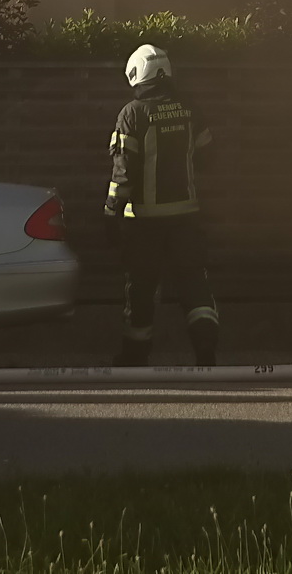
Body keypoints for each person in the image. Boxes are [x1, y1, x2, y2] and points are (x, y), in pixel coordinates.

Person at [106, 42, 219, 366]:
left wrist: (111, 211)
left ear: (136, 74)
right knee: (194, 283)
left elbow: (123, 171)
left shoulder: (132, 113)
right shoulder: (191, 109)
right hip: (186, 218)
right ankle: (206, 347)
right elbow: (208, 157)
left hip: (144, 223)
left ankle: (134, 357)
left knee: (141, 289)